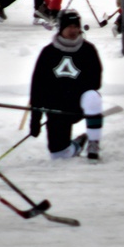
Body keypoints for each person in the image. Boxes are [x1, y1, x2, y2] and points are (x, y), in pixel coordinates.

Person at [29, 9, 105, 160]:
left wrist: (72, 94)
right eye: (69, 26)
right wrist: (35, 119)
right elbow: (38, 88)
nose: (73, 30)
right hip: (56, 107)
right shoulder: (48, 52)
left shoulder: (88, 50)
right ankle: (77, 144)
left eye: (76, 26)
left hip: (79, 103)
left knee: (93, 97)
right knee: (59, 155)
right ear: (61, 28)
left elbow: (96, 81)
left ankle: (93, 143)